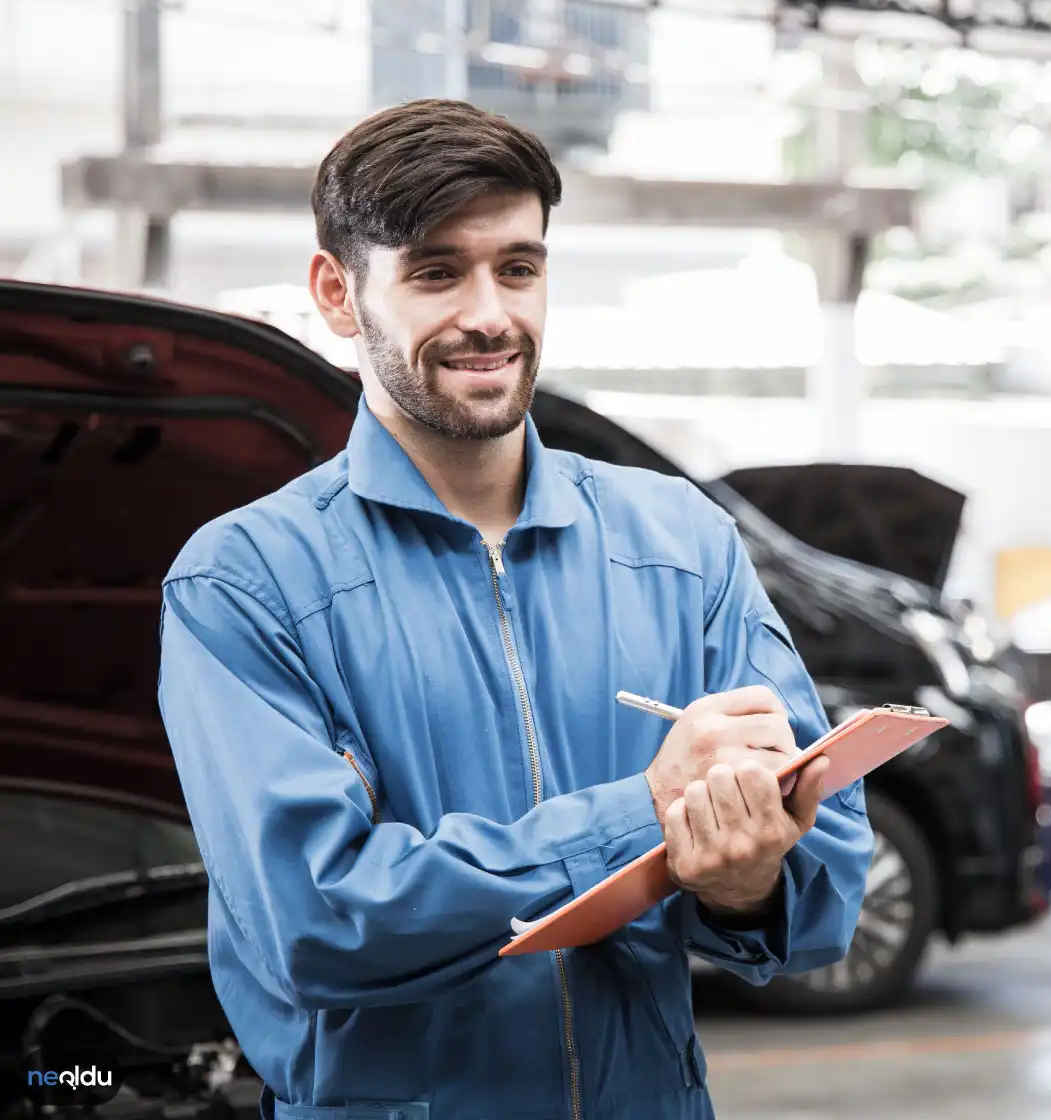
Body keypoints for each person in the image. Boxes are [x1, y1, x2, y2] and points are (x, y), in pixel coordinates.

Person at [157, 98, 873, 1120]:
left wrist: (743, 875)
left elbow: (826, 890)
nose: (490, 313)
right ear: (337, 292)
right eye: (436, 271)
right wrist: (646, 814)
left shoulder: (682, 544)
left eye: (520, 268)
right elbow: (316, 922)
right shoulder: (247, 582)